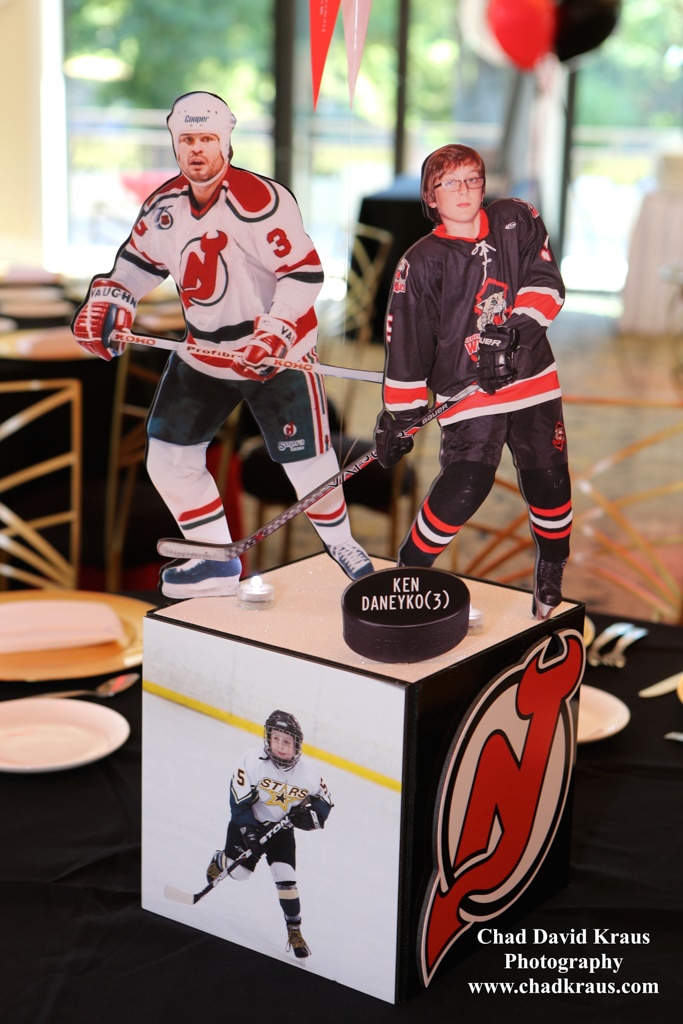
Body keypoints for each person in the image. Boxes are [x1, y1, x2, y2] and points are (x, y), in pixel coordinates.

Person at [73, 91, 373, 598]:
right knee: (168, 457)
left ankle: (343, 544)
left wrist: (275, 330)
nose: (197, 149)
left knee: (306, 461)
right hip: (204, 351)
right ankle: (215, 560)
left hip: (275, 353)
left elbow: (303, 274)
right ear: (174, 142)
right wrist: (111, 299)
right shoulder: (164, 206)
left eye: (207, 138)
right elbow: (135, 266)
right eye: (187, 138)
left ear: (227, 142)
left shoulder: (260, 202)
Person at [374, 144, 572, 620]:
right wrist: (401, 414)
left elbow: (546, 281)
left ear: (484, 186)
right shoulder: (420, 261)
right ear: (431, 196)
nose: (463, 190)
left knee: (548, 478)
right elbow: (408, 342)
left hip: (531, 378)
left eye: (472, 179)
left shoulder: (516, 218)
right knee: (465, 483)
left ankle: (552, 564)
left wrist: (514, 333)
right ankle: (411, 567)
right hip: (468, 391)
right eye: (449, 183)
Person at [206, 709, 333, 959]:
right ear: (268, 738)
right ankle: (221, 859)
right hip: (249, 824)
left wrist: (311, 817)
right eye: (276, 739)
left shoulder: (309, 774)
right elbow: (238, 803)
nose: (281, 746)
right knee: (240, 874)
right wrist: (249, 832)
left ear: (297, 744)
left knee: (286, 877)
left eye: (287, 741)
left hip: (281, 831)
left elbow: (325, 801)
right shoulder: (252, 761)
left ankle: (294, 930)